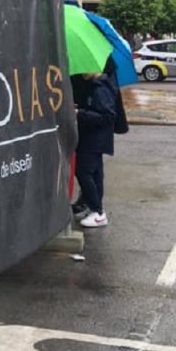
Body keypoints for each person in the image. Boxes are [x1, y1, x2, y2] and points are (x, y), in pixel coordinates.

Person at [70, 59, 127, 228]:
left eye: (85, 69)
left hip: (94, 139)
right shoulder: (99, 85)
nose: (82, 73)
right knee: (95, 173)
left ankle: (98, 212)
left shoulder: (101, 88)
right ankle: (95, 209)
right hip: (96, 139)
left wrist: (79, 113)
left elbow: (107, 116)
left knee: (84, 172)